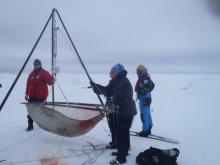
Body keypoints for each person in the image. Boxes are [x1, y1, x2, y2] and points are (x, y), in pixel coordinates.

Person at [91, 63, 136, 165]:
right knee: (123, 133)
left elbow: (122, 98)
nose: (110, 73)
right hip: (122, 111)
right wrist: (97, 87)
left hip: (126, 112)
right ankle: (124, 151)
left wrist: (114, 102)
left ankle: (121, 158)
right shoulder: (117, 81)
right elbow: (108, 91)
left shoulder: (122, 82)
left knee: (122, 134)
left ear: (117, 72)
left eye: (112, 72)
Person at [25, 59, 54, 131]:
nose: (36, 66)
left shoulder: (44, 73)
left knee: (42, 111)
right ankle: (30, 125)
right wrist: (26, 93)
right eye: (34, 64)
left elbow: (50, 82)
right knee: (31, 111)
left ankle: (45, 125)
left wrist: (52, 80)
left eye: (37, 64)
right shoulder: (31, 74)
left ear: (40, 65)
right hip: (32, 96)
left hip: (41, 96)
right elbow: (28, 84)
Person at [135, 64, 155, 137]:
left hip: (144, 98)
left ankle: (145, 131)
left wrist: (141, 91)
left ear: (141, 71)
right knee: (147, 113)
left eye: (138, 71)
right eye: (137, 71)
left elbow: (146, 88)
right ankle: (149, 127)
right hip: (147, 98)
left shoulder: (144, 78)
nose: (137, 73)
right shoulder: (145, 77)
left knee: (144, 115)